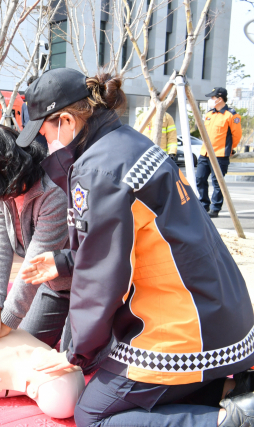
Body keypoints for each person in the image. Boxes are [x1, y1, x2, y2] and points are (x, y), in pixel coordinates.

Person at [15, 68, 254, 427]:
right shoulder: (129, 142)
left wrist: (76, 353)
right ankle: (229, 393)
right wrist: (64, 261)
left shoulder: (97, 169)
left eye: (44, 130)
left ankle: (230, 421)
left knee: (92, 415)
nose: (43, 141)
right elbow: (130, 245)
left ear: (65, 120)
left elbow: (102, 277)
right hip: (224, 313)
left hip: (186, 326)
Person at [0, 125, 73, 350]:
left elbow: (36, 260)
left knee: (77, 358)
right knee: (25, 343)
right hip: (51, 286)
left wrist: (8, 317)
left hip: (83, 287)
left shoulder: (53, 191)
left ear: (9, 169)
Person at [196, 87, 242, 218]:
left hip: (220, 155)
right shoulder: (209, 114)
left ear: (220, 99)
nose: (210, 100)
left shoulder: (231, 115)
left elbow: (237, 135)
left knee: (218, 183)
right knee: (200, 179)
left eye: (212, 97)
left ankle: (215, 208)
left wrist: (230, 148)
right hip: (205, 153)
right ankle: (203, 204)